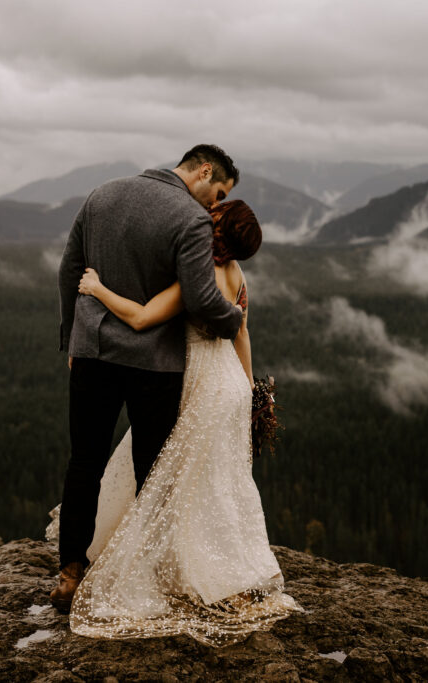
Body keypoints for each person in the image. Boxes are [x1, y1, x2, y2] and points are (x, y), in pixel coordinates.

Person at [61, 200, 299, 645]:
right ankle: (231, 563)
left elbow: (142, 317)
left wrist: (95, 288)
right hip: (229, 383)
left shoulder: (197, 276)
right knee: (221, 480)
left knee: (176, 477)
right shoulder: (237, 277)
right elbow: (243, 333)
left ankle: (182, 564)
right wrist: (249, 394)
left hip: (197, 384)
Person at [53, 145, 244, 613]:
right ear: (203, 171)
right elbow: (200, 299)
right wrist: (234, 319)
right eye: (217, 194)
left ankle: (70, 573)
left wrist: (72, 339)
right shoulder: (190, 218)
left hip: (94, 350)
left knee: (85, 463)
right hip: (155, 363)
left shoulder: (102, 195)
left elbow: (68, 270)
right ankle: (144, 577)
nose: (214, 206)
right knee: (152, 475)